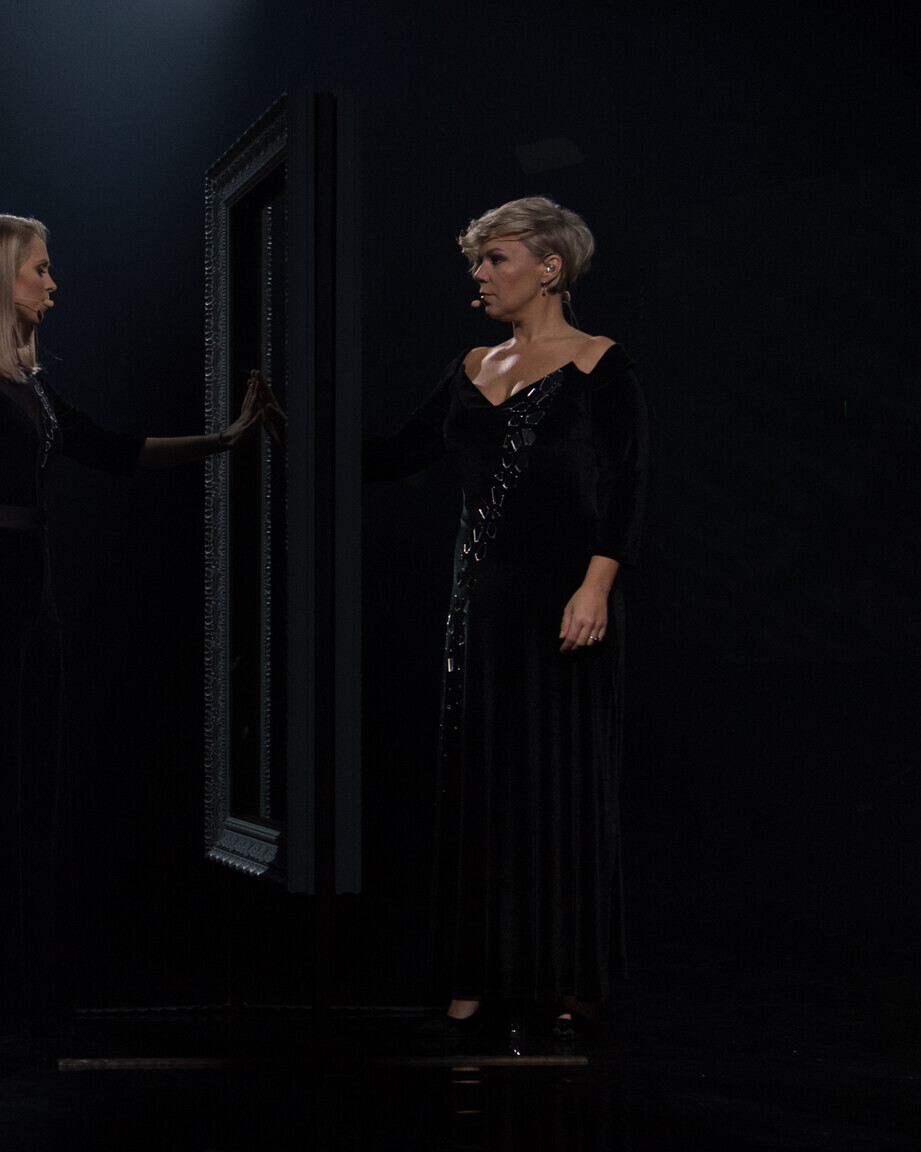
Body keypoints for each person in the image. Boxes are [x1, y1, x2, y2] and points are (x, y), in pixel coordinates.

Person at [0, 213, 282, 1049]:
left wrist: (224, 440)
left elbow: (115, 450)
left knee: (30, 789)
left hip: (29, 598)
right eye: (40, 270)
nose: (53, 285)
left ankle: (21, 986)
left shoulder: (29, 384)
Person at [363, 196, 647, 1041]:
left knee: (561, 786)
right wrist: (284, 429)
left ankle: (567, 974)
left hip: (566, 606)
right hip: (479, 613)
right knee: (480, 788)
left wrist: (595, 589)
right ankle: (474, 972)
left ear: (549, 268)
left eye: (495, 260)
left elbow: (628, 489)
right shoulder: (471, 366)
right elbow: (394, 457)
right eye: (477, 262)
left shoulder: (601, 364)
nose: (479, 277)